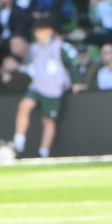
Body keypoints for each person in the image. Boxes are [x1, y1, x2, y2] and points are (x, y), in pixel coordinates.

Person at [12, 16, 84, 158]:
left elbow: (70, 65)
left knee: (48, 120)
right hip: (38, 85)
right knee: (24, 106)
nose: (39, 34)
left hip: (54, 89)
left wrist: (75, 82)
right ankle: (18, 141)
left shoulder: (59, 47)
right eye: (37, 31)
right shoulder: (34, 48)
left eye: (42, 30)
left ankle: (43, 152)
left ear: (50, 31)